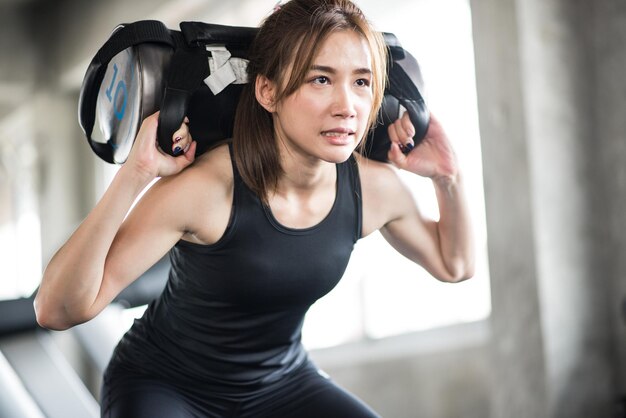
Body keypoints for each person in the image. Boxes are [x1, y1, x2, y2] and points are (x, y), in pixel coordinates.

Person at [34, 0, 474, 416]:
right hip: (167, 386)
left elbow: (453, 264)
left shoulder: (372, 188)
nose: (347, 107)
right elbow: (57, 310)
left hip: (282, 385)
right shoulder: (206, 189)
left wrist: (447, 177)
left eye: (361, 82)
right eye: (320, 79)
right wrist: (134, 175)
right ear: (268, 90)